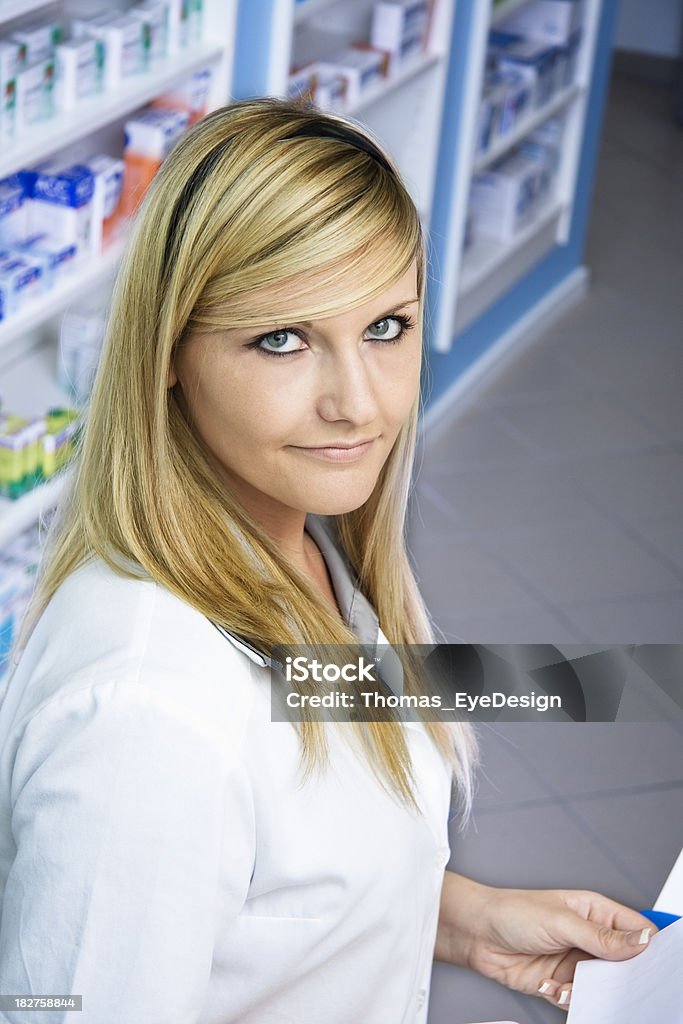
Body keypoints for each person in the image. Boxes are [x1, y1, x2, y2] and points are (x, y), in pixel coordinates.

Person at [0, 98, 654, 1024]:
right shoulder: (149, 724)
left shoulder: (299, 544)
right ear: (169, 353)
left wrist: (466, 920)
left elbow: (273, 868)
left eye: (385, 327)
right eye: (283, 338)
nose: (359, 403)